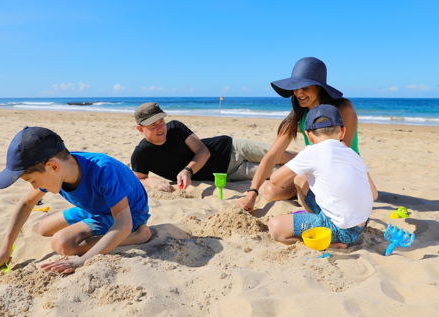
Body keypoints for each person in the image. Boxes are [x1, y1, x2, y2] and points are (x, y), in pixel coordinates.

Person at [0, 126, 151, 273]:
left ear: (53, 166)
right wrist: (6, 247)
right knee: (42, 228)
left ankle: (138, 236)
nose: (33, 187)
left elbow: (123, 223)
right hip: (94, 208)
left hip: (129, 213)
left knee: (62, 243)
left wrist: (80, 262)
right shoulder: (58, 170)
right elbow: (26, 203)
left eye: (32, 181)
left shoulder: (104, 170)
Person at [238, 56, 362, 212]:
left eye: (305, 87)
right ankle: (304, 193)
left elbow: (340, 153)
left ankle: (310, 197)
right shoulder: (299, 116)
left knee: (301, 179)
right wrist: (252, 192)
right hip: (315, 167)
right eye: (295, 88)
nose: (298, 93)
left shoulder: (343, 109)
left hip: (344, 169)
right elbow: (271, 156)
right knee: (270, 191)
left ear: (319, 88)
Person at [267, 104, 378, 247]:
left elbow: (275, 180)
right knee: (300, 179)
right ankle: (316, 221)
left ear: (308, 135)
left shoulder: (312, 152)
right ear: (342, 132)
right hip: (360, 226)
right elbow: (374, 194)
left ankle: (328, 242)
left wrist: (299, 164)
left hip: (340, 230)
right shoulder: (352, 154)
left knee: (275, 226)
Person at [130, 102, 294, 191]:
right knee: (280, 172)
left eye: (161, 122)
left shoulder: (175, 128)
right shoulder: (142, 153)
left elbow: (203, 151)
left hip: (232, 148)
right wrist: (150, 182)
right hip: (227, 173)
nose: (160, 128)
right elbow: (137, 179)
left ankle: (316, 157)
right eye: (153, 126)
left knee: (282, 156)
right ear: (140, 129)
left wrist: (188, 170)